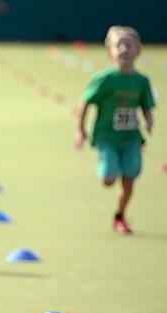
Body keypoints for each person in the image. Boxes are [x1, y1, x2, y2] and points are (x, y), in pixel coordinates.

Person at [75, 26, 155, 235]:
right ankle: (112, 166)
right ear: (110, 52)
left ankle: (119, 215)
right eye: (118, 46)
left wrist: (148, 119)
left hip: (130, 139)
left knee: (129, 179)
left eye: (129, 45)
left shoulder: (141, 81)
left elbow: (146, 103)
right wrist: (80, 130)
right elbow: (85, 102)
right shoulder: (104, 79)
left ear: (138, 51)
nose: (124, 50)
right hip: (107, 138)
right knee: (108, 180)